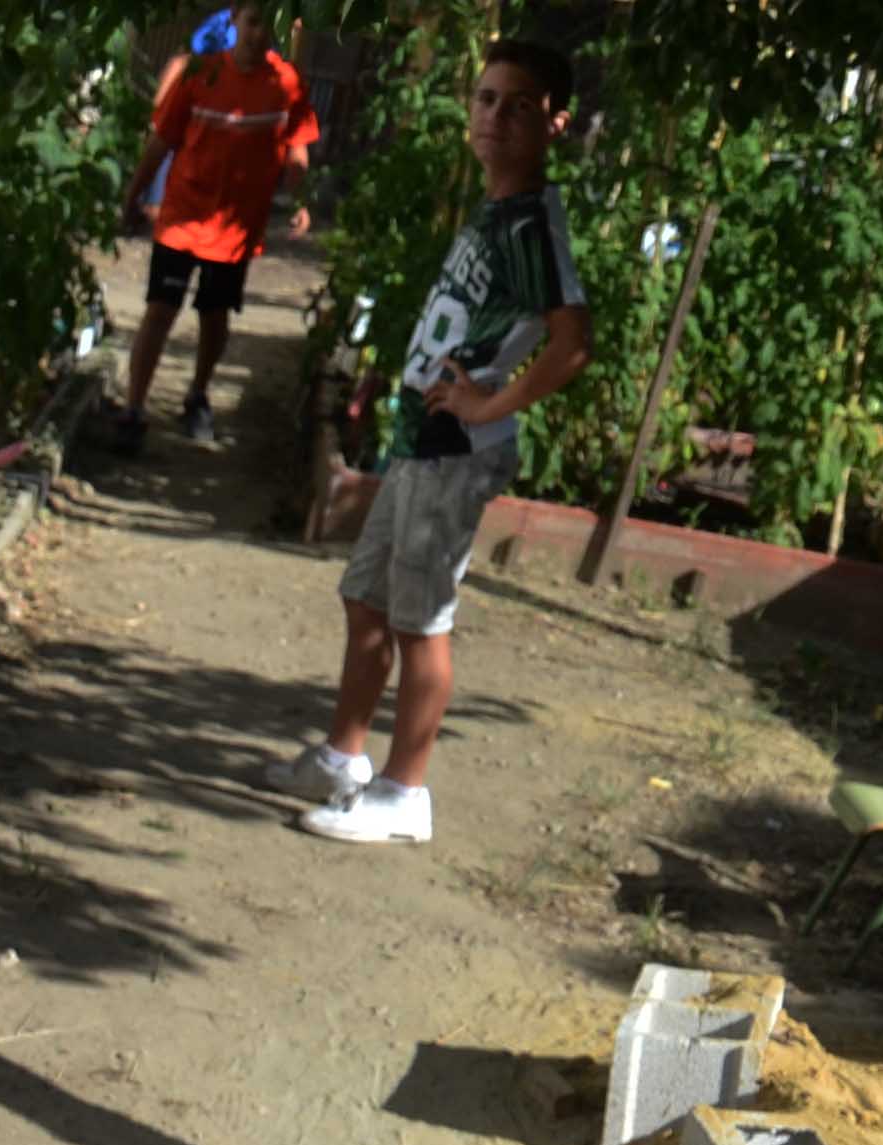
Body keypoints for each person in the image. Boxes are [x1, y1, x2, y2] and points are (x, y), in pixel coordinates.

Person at [272, 35, 588, 848]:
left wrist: (489, 406)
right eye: (486, 99)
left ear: (556, 123)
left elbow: (571, 344)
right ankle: (345, 758)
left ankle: (406, 791)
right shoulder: (494, 209)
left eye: (520, 105)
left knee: (421, 621)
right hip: (421, 434)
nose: (496, 117)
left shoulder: (531, 224)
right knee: (366, 596)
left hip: (455, 449)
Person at [111, 13, 320, 450]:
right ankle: (134, 407)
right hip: (183, 218)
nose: (259, 33)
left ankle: (198, 394)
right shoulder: (200, 74)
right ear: (235, 22)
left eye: (268, 26)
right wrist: (132, 197)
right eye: (252, 22)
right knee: (159, 309)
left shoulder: (286, 84)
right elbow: (161, 141)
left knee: (215, 314)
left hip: (236, 227)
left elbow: (297, 150)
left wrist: (301, 202)